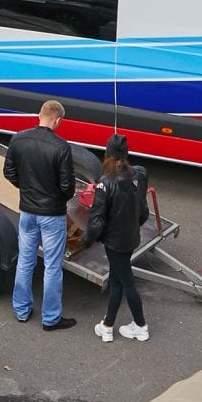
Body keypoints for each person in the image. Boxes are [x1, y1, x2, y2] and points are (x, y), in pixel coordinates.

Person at [3, 98, 77, 331]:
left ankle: (21, 310)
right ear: (58, 120)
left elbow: (9, 172)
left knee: (25, 261)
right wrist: (56, 197)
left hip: (27, 211)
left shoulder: (18, 139)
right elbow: (68, 187)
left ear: (39, 115)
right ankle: (51, 318)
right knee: (52, 267)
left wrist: (25, 188)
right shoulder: (61, 147)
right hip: (52, 215)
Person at [85, 135, 149, 343]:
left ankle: (141, 325)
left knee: (126, 282)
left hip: (114, 242)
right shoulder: (139, 174)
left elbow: (96, 221)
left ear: (108, 154)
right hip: (131, 237)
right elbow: (144, 211)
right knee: (116, 281)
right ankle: (107, 325)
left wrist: (86, 241)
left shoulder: (106, 183)